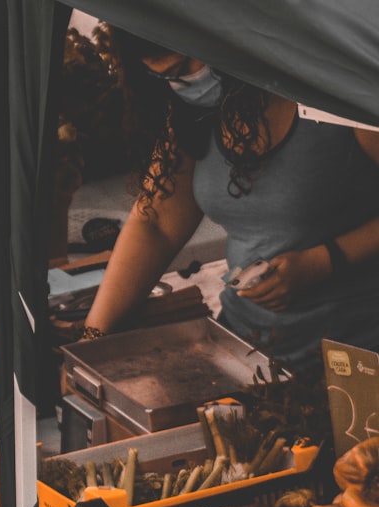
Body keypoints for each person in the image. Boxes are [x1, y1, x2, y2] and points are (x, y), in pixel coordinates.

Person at [82, 27, 379, 373]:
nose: (198, 74)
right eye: (178, 74)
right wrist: (92, 341)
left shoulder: (332, 95)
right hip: (246, 353)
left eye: (204, 57)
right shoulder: (193, 113)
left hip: (359, 360)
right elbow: (156, 223)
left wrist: (326, 260)